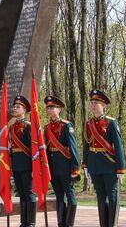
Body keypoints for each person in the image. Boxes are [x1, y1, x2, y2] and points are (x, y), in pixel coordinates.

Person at [82, 89, 126, 227]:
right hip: (94, 165)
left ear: (104, 105)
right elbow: (86, 146)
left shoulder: (111, 123)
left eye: (97, 103)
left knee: (112, 198)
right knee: (100, 198)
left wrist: (121, 168)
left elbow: (118, 146)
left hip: (109, 165)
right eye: (92, 102)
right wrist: (85, 165)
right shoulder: (88, 124)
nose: (93, 105)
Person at [44, 95, 80, 227]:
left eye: (52, 107)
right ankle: (61, 223)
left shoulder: (66, 125)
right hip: (53, 167)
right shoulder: (47, 127)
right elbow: (46, 150)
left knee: (70, 195)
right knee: (59, 196)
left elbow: (73, 147)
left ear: (59, 109)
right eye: (48, 108)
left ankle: (69, 223)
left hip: (66, 165)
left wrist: (75, 167)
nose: (50, 110)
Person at [9, 95, 36, 227]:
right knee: (21, 193)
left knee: (29, 192)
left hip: (27, 164)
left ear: (24, 110)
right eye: (14, 106)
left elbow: (33, 149)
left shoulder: (29, 126)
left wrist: (34, 167)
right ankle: (23, 222)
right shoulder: (12, 127)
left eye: (18, 107)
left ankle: (30, 222)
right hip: (16, 164)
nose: (15, 108)